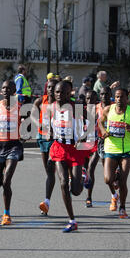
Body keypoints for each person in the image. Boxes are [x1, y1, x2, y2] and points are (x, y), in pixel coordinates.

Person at [47, 81, 86, 232]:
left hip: (75, 149)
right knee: (63, 183)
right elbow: (49, 125)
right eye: (57, 92)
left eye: (62, 92)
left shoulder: (77, 108)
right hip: (59, 148)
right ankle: (72, 220)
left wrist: (82, 139)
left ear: (69, 93)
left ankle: (82, 177)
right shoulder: (51, 108)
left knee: (76, 190)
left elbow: (89, 128)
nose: (59, 95)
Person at [99, 88, 130, 219]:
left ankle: (122, 207)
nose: (118, 99)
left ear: (127, 98)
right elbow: (100, 122)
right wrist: (103, 131)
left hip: (126, 151)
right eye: (117, 97)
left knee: (123, 182)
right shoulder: (108, 109)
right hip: (111, 149)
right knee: (108, 179)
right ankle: (115, 191)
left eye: (121, 97)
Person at [0, 80, 24, 226]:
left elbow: (27, 123)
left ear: (14, 90)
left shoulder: (20, 107)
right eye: (3, 88)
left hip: (14, 146)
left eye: (8, 88)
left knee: (6, 181)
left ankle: (6, 214)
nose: (5, 90)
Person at [33, 78, 59, 215]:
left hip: (56, 140)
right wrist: (40, 125)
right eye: (49, 87)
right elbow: (32, 116)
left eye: (53, 88)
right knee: (49, 171)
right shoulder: (40, 101)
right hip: (42, 138)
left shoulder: (60, 104)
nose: (50, 90)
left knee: (51, 168)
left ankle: (46, 201)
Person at [81, 90, 100, 208]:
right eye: (87, 99)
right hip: (83, 144)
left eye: (92, 98)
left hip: (96, 143)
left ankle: (89, 197)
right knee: (84, 169)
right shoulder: (81, 110)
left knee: (91, 169)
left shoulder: (99, 110)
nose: (90, 101)